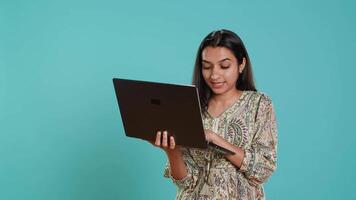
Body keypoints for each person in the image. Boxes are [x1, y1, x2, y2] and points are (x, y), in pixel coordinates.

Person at [150, 29, 278, 200]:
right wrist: (171, 151)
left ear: (241, 64)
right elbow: (185, 183)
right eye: (207, 66)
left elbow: (263, 169)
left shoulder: (259, 105)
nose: (214, 75)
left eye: (224, 66)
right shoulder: (189, 106)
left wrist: (215, 139)